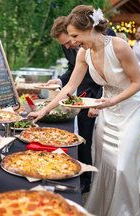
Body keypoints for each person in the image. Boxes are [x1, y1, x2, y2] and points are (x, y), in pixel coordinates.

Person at [28, 5, 140, 216]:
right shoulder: (83, 53)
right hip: (106, 110)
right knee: (105, 164)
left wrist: (111, 100)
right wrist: (43, 111)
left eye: (75, 35)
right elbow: (70, 88)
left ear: (89, 29)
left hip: (131, 108)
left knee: (124, 167)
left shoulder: (119, 46)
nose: (73, 42)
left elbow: (137, 83)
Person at [48, 16, 115, 193]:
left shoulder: (105, 37)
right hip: (84, 91)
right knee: (84, 137)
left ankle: (105, 181)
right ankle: (86, 180)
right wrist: (60, 80)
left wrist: (98, 102)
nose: (68, 46)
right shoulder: (68, 45)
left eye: (70, 41)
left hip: (105, 92)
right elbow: (73, 68)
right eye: (65, 44)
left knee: (104, 142)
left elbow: (110, 77)